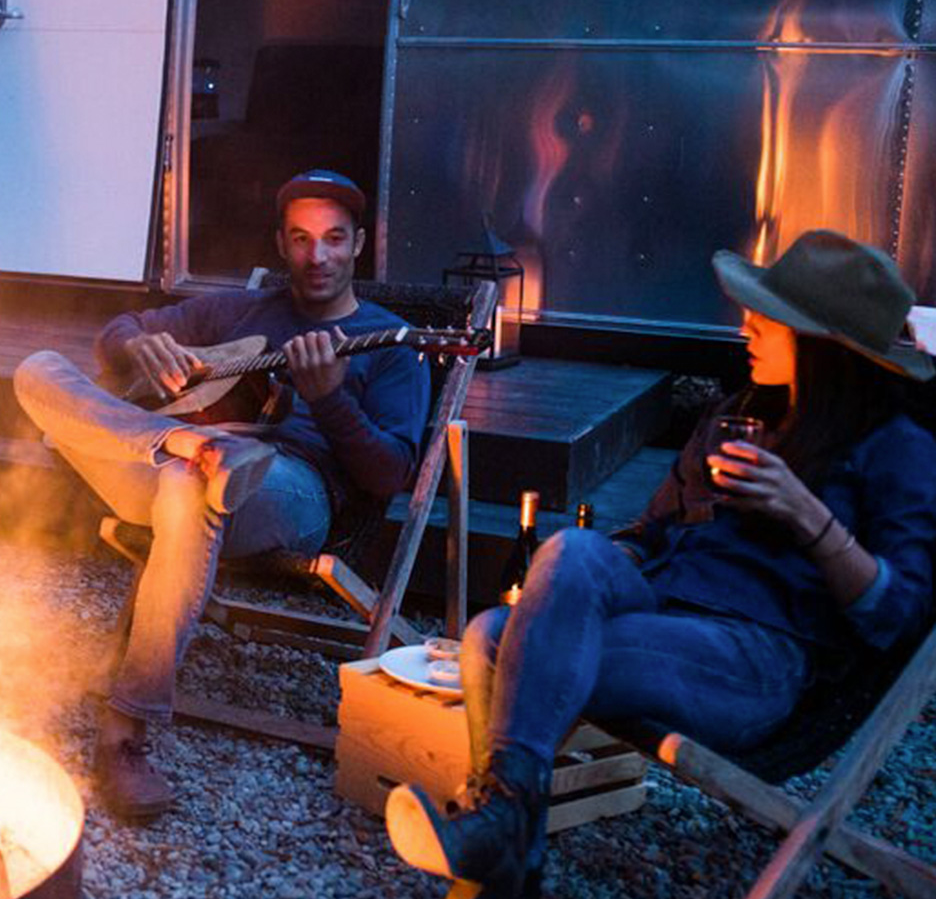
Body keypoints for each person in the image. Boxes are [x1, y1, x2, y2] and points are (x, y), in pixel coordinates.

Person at [384, 229, 936, 899]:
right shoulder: (739, 414)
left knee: (499, 644)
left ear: (824, 346)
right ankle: (506, 827)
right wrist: (570, 592)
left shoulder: (897, 448)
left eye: (767, 314)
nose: (747, 324)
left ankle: (504, 839)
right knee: (568, 553)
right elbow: (648, 532)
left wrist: (807, 516)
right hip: (660, 605)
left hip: (757, 656)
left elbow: (895, 613)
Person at [13, 169, 430, 821]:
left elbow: (388, 475)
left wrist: (331, 398)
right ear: (281, 244)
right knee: (38, 371)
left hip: (292, 490)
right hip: (166, 457)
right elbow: (120, 325)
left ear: (357, 247)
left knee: (192, 482)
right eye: (300, 239)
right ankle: (172, 440)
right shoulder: (241, 310)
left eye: (332, 239)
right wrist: (136, 345)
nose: (316, 256)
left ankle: (126, 736)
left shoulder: (394, 345)